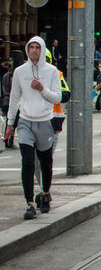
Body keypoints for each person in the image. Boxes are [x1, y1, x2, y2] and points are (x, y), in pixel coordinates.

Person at [5, 37, 62, 220]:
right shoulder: (20, 72)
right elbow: (14, 98)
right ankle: (29, 202)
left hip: (45, 120)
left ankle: (45, 193)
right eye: (32, 47)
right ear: (27, 50)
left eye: (38, 47)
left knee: (45, 162)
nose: (35, 51)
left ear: (43, 49)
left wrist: (42, 88)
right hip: (25, 121)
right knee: (28, 162)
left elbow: (57, 97)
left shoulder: (52, 71)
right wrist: (9, 123)